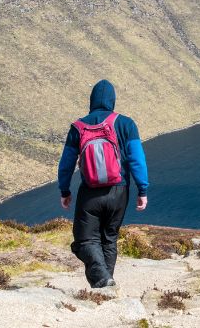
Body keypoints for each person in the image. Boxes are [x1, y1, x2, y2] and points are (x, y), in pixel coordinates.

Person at [58, 79, 149, 288]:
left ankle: (103, 281)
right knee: (109, 239)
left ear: (91, 100)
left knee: (85, 240)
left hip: (90, 193)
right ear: (112, 100)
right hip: (119, 191)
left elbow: (66, 164)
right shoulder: (126, 124)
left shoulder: (78, 127)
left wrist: (65, 190)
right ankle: (107, 284)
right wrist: (142, 190)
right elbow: (137, 160)